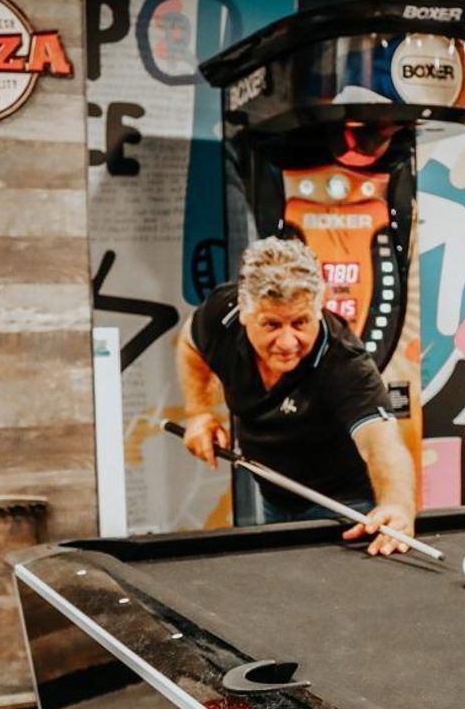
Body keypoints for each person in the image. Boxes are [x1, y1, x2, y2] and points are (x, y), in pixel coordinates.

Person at [177, 237, 417, 555]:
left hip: (343, 506)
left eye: (301, 322)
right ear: (245, 313)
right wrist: (198, 413)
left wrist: (397, 506)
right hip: (273, 495)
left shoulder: (342, 360)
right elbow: (189, 343)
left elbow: (381, 442)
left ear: (319, 309)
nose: (288, 342)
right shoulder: (223, 316)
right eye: (272, 324)